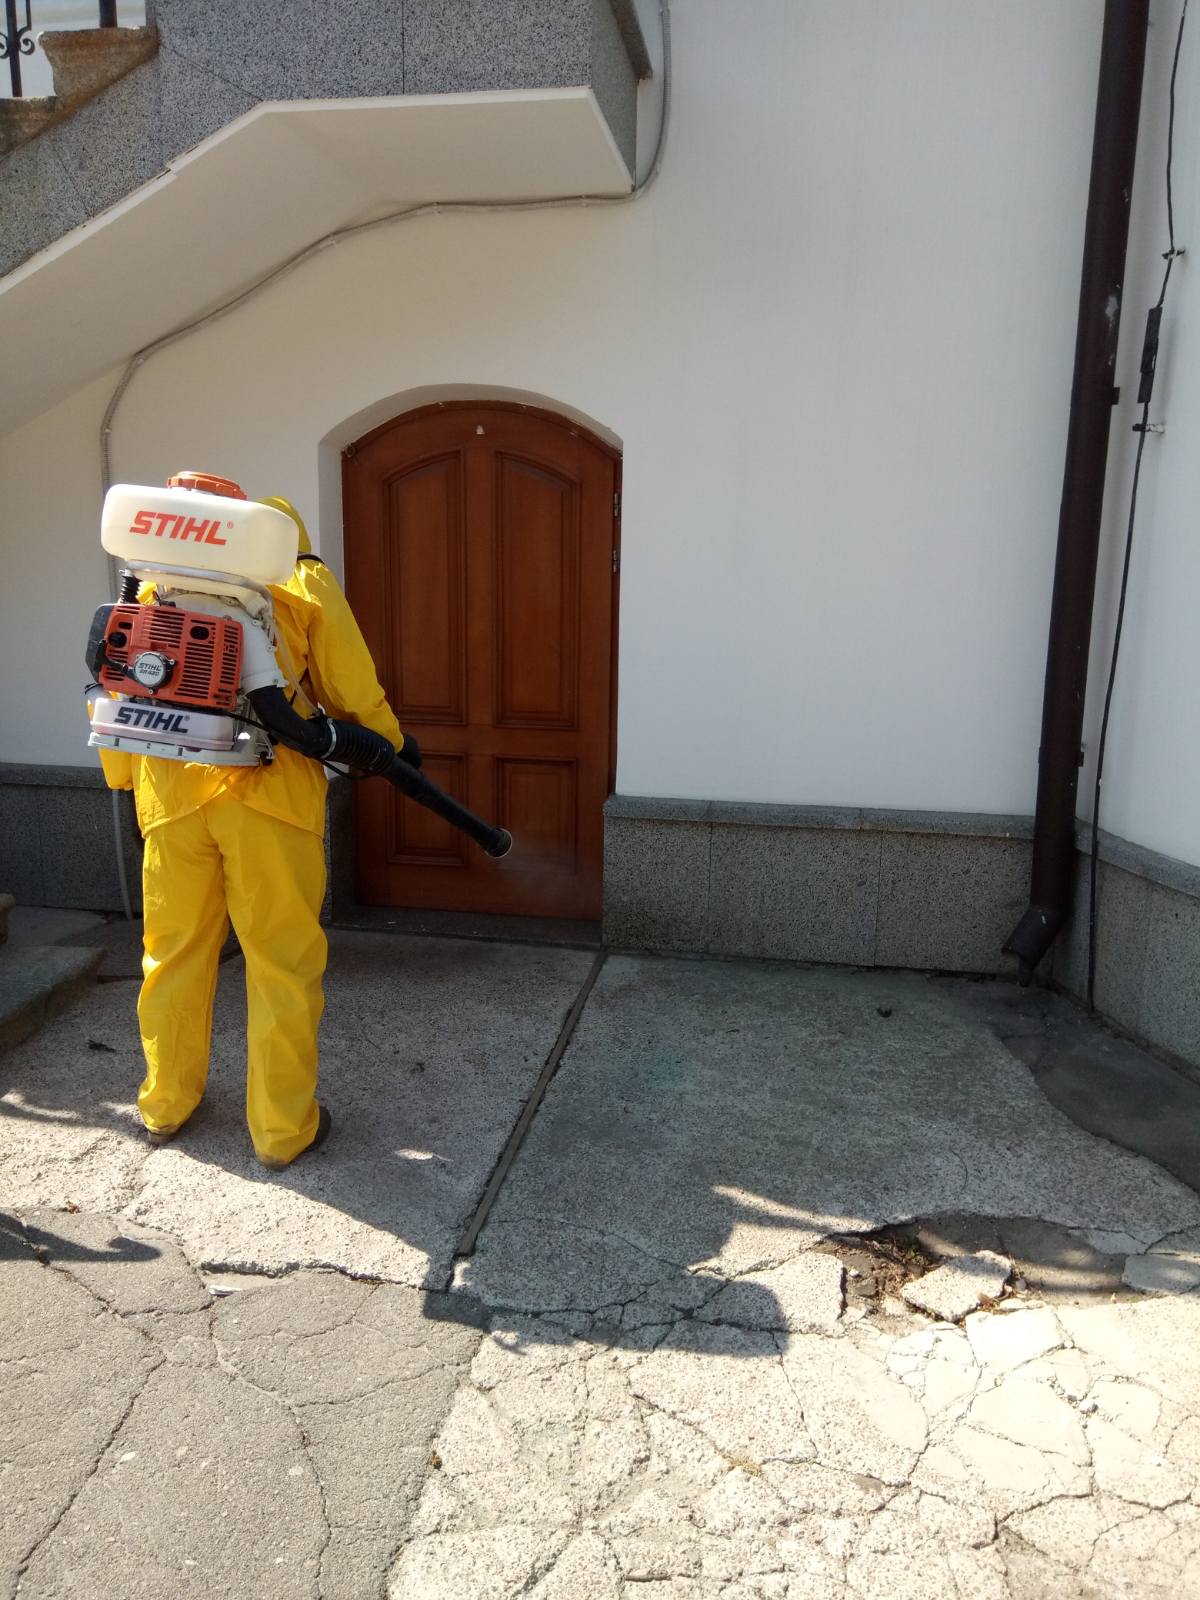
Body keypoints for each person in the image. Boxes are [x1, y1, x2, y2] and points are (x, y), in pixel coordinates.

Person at [98, 493, 405, 1168]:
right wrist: (388, 745)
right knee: (281, 965)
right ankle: (281, 1130)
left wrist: (123, 776)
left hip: (173, 794)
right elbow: (349, 686)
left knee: (173, 955)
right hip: (271, 800)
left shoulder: (154, 579)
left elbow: (119, 682)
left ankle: (165, 1104)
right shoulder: (299, 579)